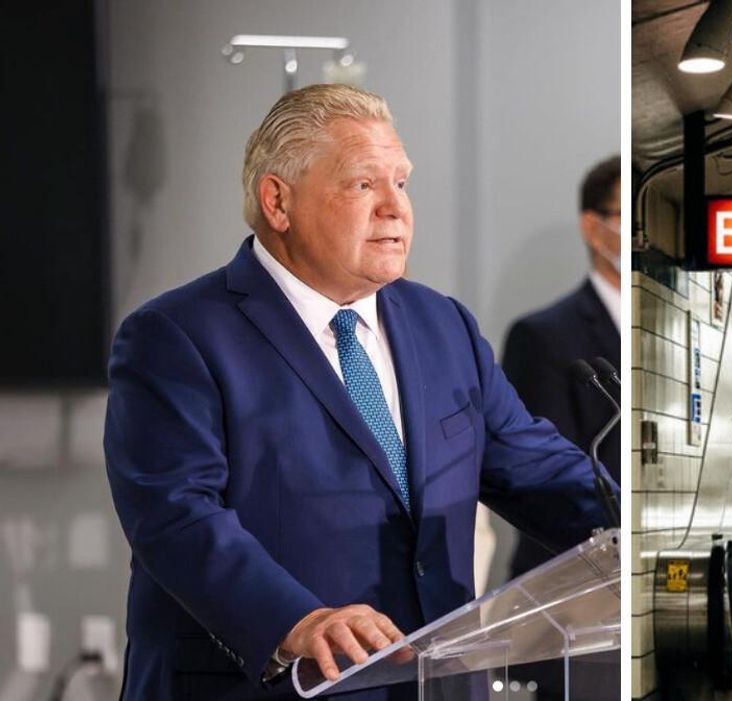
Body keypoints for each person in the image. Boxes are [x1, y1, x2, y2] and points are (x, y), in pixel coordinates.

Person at [103, 84, 615, 700]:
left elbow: (533, 467)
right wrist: (297, 620)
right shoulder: (177, 336)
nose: (396, 207)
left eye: (401, 182)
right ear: (278, 201)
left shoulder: (442, 324)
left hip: (433, 683)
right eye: (362, 184)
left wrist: (635, 531)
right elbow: (175, 516)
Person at [500, 157, 621, 699]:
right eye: (625, 217)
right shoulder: (543, 337)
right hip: (574, 606)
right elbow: (541, 476)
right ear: (592, 227)